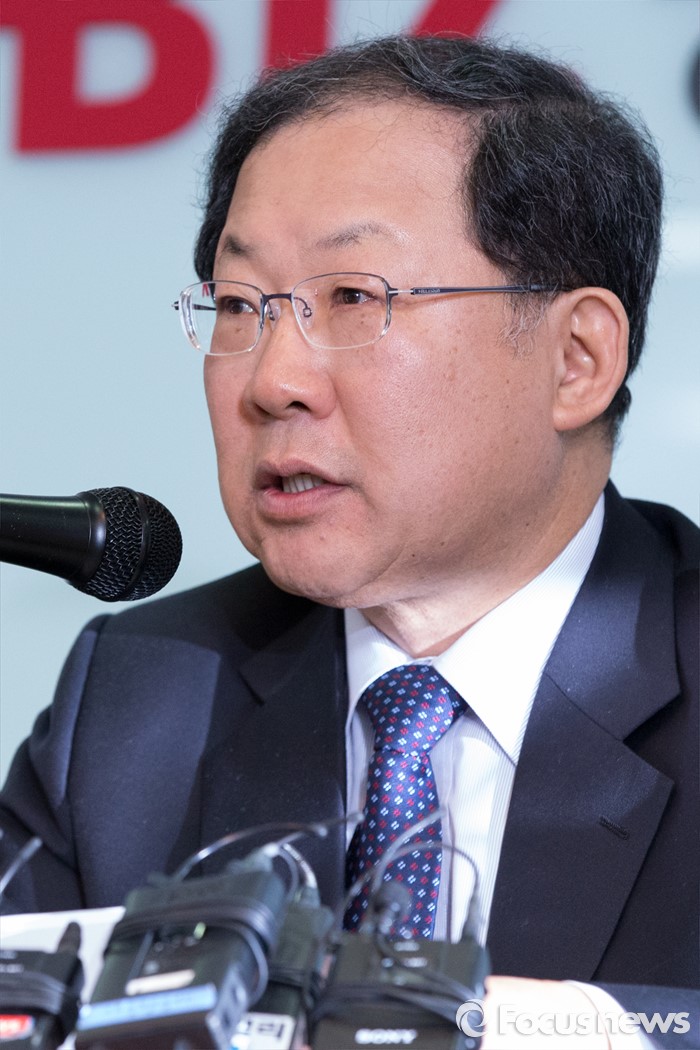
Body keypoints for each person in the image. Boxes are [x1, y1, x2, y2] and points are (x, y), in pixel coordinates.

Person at [0, 34, 697, 1048]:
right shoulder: (139, 700)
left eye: (353, 299)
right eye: (240, 307)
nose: (272, 379)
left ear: (577, 358)